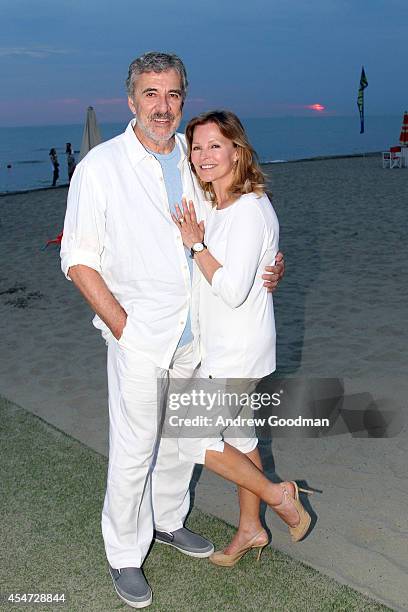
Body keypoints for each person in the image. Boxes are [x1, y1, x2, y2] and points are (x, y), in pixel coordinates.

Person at [60, 52, 284, 609]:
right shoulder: (101, 167)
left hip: (200, 338)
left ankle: (167, 520)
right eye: (151, 94)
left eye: (173, 94)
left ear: (183, 98)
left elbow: (240, 216)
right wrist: (123, 326)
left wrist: (270, 267)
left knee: (183, 445)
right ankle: (124, 554)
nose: (163, 106)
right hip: (140, 338)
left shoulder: (193, 154)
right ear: (131, 100)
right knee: (135, 449)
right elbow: (77, 259)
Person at [171, 110, 312, 567]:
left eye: (216, 145)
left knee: (193, 439)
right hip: (223, 345)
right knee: (242, 436)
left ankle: (279, 495)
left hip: (235, 351)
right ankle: (250, 529)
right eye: (198, 147)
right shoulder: (218, 205)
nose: (205, 155)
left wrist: (196, 245)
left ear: (237, 151)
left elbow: (231, 290)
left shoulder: (250, 209)